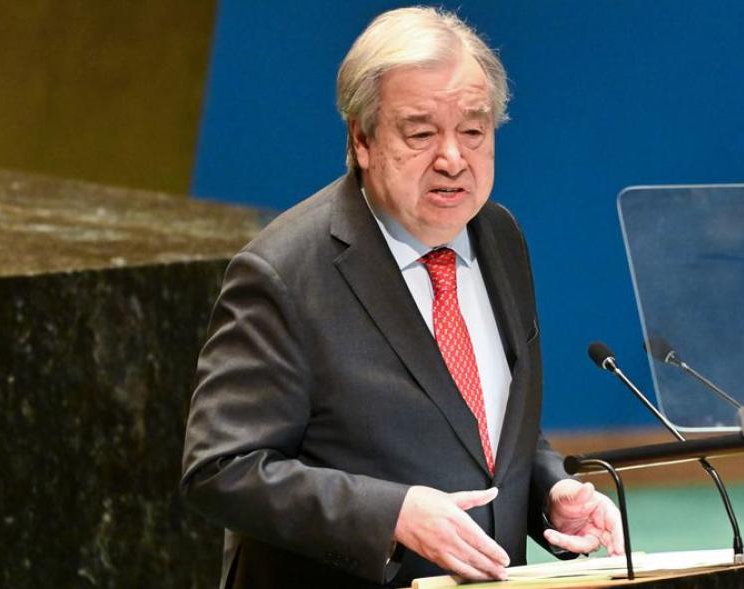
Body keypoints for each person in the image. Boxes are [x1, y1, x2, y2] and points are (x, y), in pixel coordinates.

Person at [179, 7, 623, 587]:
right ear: (361, 139)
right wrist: (390, 516)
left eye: (473, 131)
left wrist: (551, 490)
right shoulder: (283, 272)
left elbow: (483, 423)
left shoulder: (501, 236)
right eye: (421, 133)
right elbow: (220, 469)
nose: (453, 158)